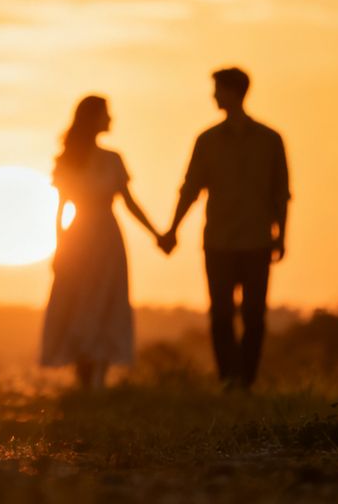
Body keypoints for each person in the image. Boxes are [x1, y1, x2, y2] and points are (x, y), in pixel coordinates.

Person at [159, 67, 290, 391]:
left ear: (233, 92)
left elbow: (281, 193)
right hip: (218, 241)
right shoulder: (207, 140)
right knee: (220, 316)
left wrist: (281, 235)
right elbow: (190, 189)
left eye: (217, 89)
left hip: (256, 241)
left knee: (254, 316)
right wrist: (173, 228)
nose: (213, 96)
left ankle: (246, 379)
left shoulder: (270, 140)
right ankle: (229, 378)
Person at [41, 95, 161, 389]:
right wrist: (60, 248)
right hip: (79, 237)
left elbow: (130, 203)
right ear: (93, 118)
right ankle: (85, 375)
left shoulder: (113, 159)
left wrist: (157, 234)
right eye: (106, 114)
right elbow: (60, 209)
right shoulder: (68, 159)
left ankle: (99, 378)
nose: (111, 119)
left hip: (108, 238)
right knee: (79, 302)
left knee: (108, 301)